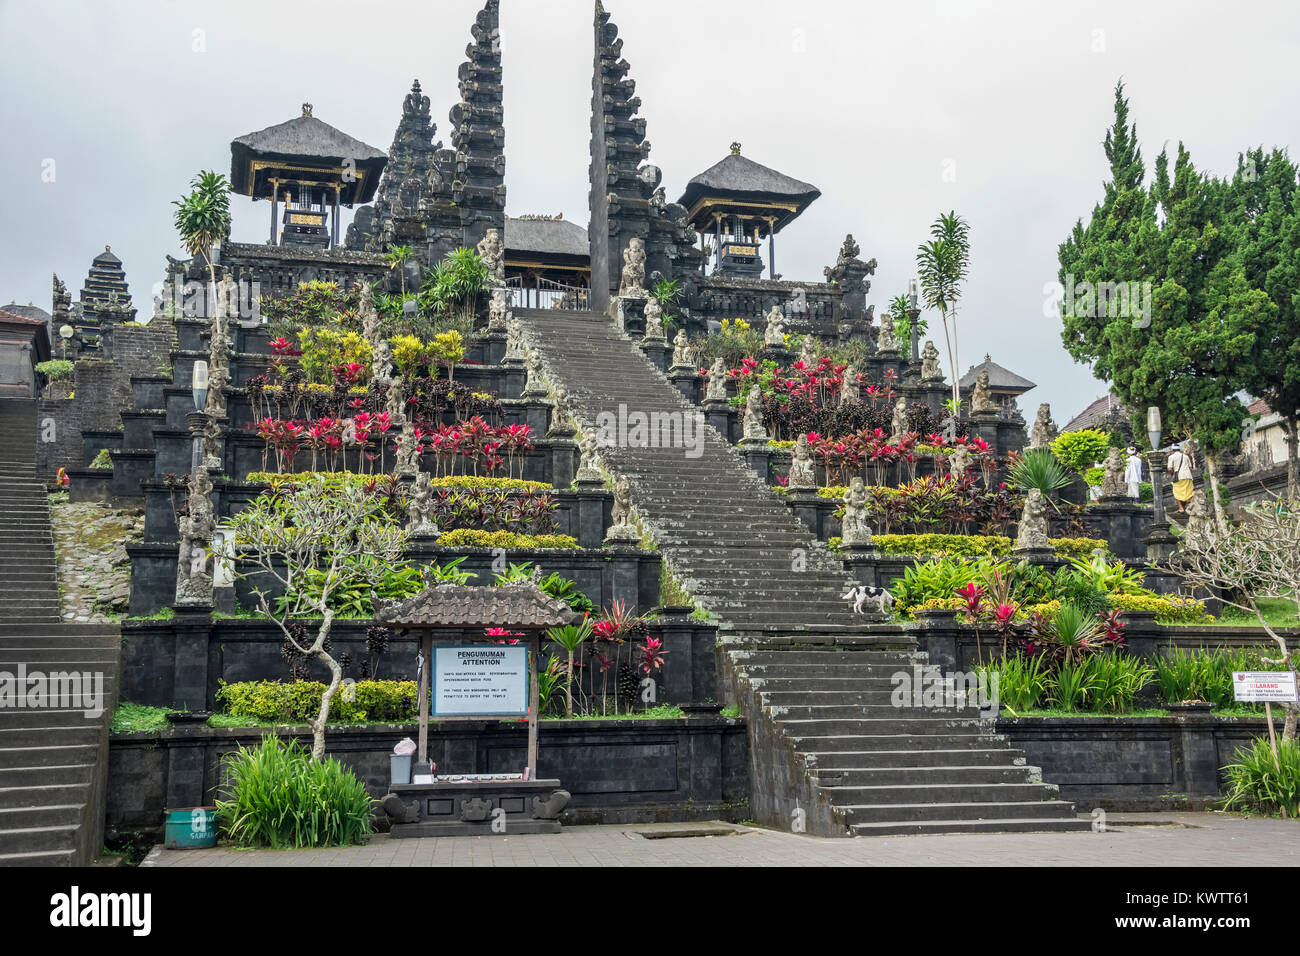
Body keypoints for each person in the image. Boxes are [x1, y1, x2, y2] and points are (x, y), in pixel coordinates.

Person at [1167, 442, 1195, 513]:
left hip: (1178, 477)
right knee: (1189, 493)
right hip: (1188, 476)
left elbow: (1170, 468)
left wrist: (1172, 474)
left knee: (1177, 493)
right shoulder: (1186, 456)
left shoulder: (1171, 457)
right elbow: (1190, 468)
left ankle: (1181, 508)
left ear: (1172, 450)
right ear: (1179, 449)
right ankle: (1195, 507)